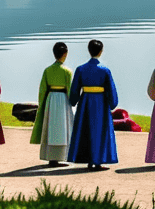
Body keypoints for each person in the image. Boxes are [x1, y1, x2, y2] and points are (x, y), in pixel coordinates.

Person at [68, 39, 119, 170]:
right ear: (101, 52)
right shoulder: (105, 70)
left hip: (85, 102)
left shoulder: (80, 69)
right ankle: (98, 160)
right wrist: (113, 103)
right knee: (100, 131)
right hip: (101, 102)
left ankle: (88, 159)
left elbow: (74, 90)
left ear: (89, 51)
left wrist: (73, 101)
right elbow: (111, 89)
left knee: (85, 129)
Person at [30, 41, 73, 165]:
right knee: (63, 128)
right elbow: (69, 88)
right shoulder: (67, 71)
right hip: (63, 99)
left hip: (51, 99)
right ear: (65, 54)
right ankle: (62, 155)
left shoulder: (47, 70)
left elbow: (43, 88)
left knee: (50, 127)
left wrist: (43, 102)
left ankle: (51, 156)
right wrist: (73, 102)